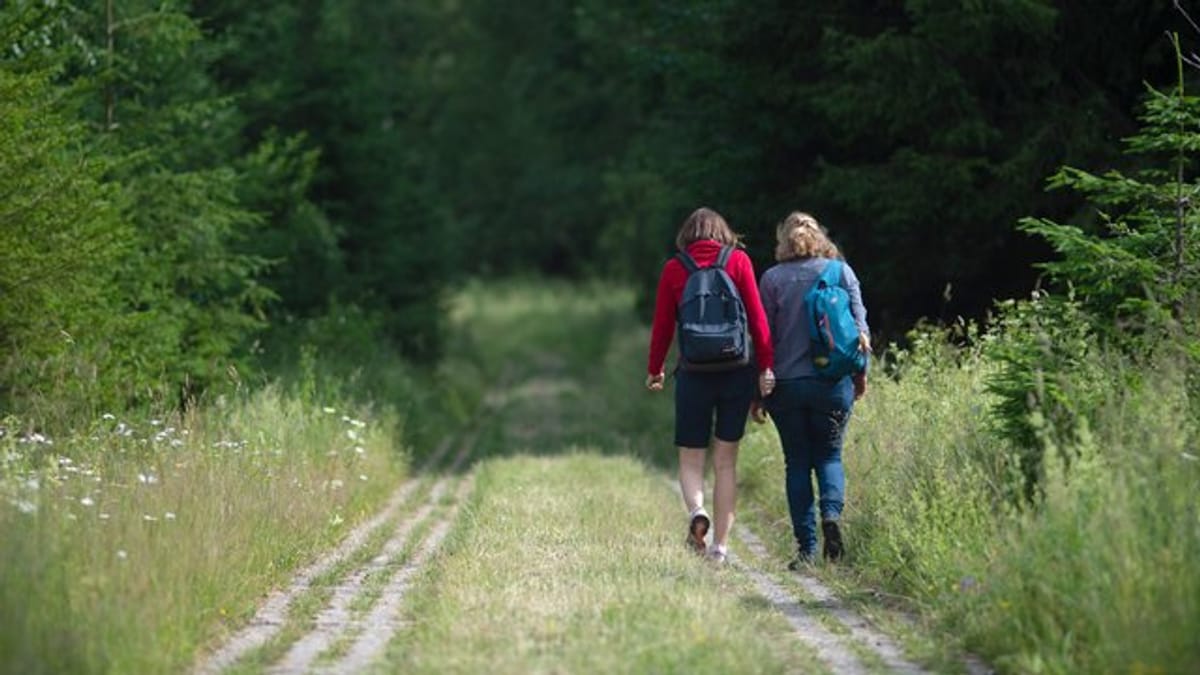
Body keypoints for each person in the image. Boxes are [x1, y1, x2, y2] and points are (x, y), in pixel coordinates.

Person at [646, 207, 776, 565]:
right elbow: (758, 320)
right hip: (737, 371)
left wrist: (655, 369)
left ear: (687, 236)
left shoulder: (675, 268)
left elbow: (662, 326)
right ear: (723, 233)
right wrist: (765, 366)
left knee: (691, 458)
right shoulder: (738, 261)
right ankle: (719, 548)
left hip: (694, 374)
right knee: (725, 462)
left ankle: (696, 511)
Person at [755, 211, 870, 568]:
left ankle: (806, 550)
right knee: (830, 457)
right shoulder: (841, 273)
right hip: (832, 383)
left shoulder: (772, 279)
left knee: (797, 463)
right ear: (820, 237)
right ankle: (831, 516)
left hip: (786, 386)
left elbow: (762, 337)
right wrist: (861, 374)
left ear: (783, 240)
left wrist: (757, 389)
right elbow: (860, 330)